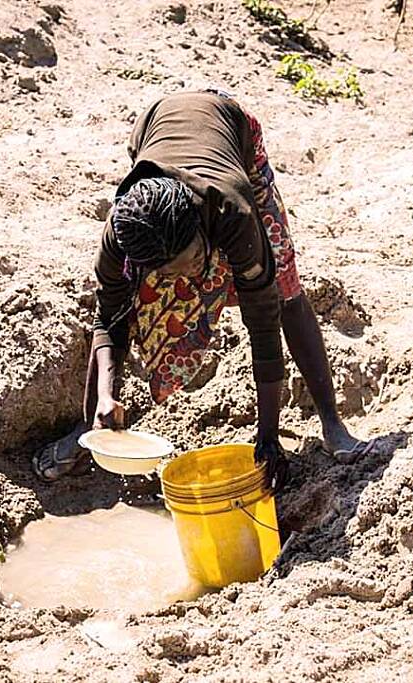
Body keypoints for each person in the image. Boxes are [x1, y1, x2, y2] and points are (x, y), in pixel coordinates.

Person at [33, 90, 371, 489]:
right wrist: (105, 398)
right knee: (131, 303)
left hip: (230, 128)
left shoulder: (233, 210)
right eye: (169, 271)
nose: (185, 277)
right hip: (154, 127)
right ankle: (88, 430)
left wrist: (267, 437)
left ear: (200, 228)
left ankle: (332, 422)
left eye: (192, 260)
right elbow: (109, 317)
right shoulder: (124, 234)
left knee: (283, 289)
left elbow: (263, 324)